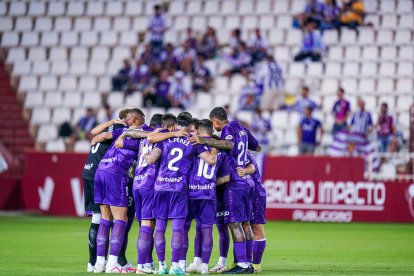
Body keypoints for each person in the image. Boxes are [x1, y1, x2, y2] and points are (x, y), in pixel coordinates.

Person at [189, 107, 262, 274]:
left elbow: (228, 144)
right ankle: (247, 262)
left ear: (215, 121)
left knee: (234, 224)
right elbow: (257, 147)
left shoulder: (228, 129)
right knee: (245, 225)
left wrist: (204, 140)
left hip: (235, 183)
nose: (215, 129)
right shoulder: (242, 128)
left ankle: (242, 265)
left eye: (214, 125)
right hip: (247, 182)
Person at [143, 113, 217, 275]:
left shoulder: (164, 138)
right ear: (190, 124)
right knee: (177, 229)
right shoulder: (193, 141)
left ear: (176, 123)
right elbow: (211, 161)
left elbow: (150, 156)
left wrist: (144, 154)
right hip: (179, 188)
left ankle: (162, 265)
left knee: (160, 228)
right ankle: (175, 266)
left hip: (160, 187)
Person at [92, 108, 147, 273]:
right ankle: (112, 264)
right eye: (143, 118)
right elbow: (120, 143)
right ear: (137, 119)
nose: (146, 122)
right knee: (121, 218)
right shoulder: (138, 137)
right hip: (115, 173)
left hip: (101, 170)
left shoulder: (121, 130)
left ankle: (99, 264)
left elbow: (98, 136)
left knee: (105, 218)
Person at [81, 109, 130, 272]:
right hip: (100, 173)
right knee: (109, 218)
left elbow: (93, 134)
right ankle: (103, 262)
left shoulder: (107, 129)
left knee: (98, 218)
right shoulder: (120, 131)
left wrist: (110, 122)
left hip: (88, 171)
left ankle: (94, 263)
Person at [182, 119, 230, 274]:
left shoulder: (193, 145)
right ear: (211, 131)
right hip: (209, 194)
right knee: (207, 229)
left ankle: (180, 264)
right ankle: (204, 267)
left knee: (184, 228)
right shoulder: (220, 149)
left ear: (200, 131)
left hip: (191, 193)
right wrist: (209, 184)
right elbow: (226, 177)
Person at [242, 153, 267, 273]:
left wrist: (244, 171)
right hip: (243, 191)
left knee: (256, 226)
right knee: (242, 227)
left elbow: (252, 168)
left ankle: (256, 264)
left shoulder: (244, 153)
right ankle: (243, 262)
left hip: (255, 192)